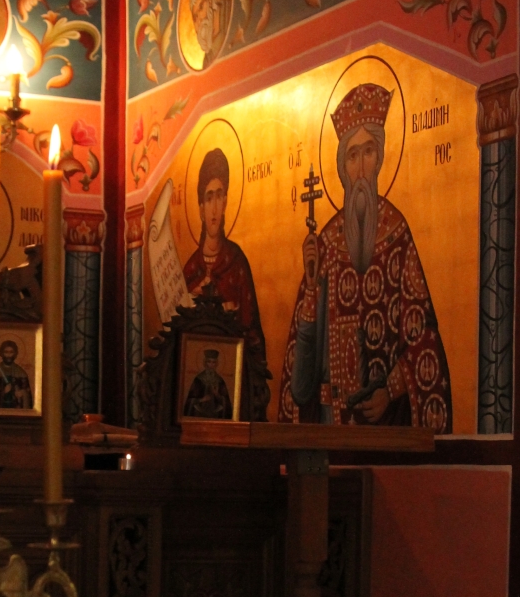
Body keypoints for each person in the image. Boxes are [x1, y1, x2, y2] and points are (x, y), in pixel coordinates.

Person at [278, 82, 452, 432]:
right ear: (343, 166)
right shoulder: (326, 243)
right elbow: (301, 373)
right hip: (329, 420)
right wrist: (311, 287)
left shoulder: (397, 234)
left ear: (380, 159)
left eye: (368, 152)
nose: (360, 170)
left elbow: (423, 336)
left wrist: (392, 389)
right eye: (352, 155)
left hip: (383, 422)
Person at [183, 148, 268, 367]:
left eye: (219, 196)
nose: (214, 208)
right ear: (201, 209)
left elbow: (252, 331)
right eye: (209, 197)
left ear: (226, 202)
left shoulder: (237, 262)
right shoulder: (191, 269)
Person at [189, 0, 230, 69]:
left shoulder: (231, 14)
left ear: (211, 1)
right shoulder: (208, 60)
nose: (199, 21)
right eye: (195, 17)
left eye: (201, 7)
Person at [183, 348, 233, 419]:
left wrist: (217, 394)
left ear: (216, 364)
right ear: (205, 363)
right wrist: (202, 400)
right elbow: (190, 401)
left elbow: (227, 403)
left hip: (216, 415)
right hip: (198, 414)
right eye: (209, 362)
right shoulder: (199, 379)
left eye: (213, 362)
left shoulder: (220, 380)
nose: (211, 365)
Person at [0, 340, 33, 410]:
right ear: (1, 353)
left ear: (15, 353)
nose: (8, 355)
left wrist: (22, 394)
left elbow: (27, 396)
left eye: (11, 352)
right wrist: (3, 392)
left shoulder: (21, 372)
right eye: (6, 352)